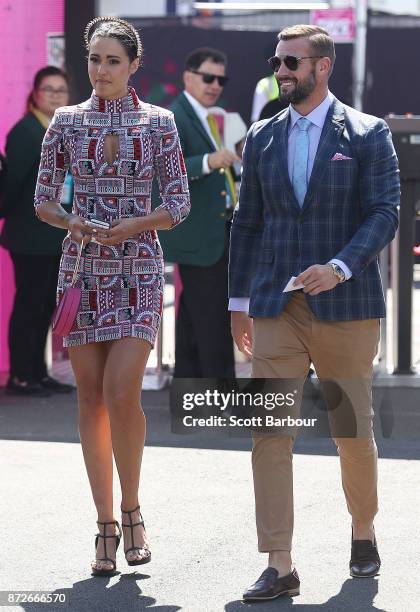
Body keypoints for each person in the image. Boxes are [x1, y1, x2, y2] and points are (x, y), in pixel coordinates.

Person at [229, 25, 400, 601]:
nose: (281, 70)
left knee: (350, 430)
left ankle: (363, 531)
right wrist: (238, 304)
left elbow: (384, 213)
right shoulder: (263, 135)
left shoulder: (368, 133)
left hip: (346, 305)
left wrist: (341, 266)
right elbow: (247, 223)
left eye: (291, 62)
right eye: (277, 61)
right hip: (277, 306)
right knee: (268, 432)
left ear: (321, 67)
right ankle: (279, 564)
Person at [34, 17, 190, 576]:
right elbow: (42, 201)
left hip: (139, 267)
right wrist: (70, 220)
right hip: (81, 270)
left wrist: (132, 226)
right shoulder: (67, 122)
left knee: (124, 389)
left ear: (133, 66)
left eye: (112, 61)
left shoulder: (160, 123)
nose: (101, 71)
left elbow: (178, 203)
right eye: (94, 60)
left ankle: (132, 508)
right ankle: (104, 524)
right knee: (90, 399)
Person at [157, 47, 239, 378]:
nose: (215, 85)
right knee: (212, 316)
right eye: (208, 77)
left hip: (210, 232)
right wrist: (209, 161)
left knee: (195, 312)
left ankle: (188, 383)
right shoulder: (174, 117)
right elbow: (164, 169)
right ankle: (223, 391)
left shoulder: (204, 115)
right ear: (188, 76)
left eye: (221, 79)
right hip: (199, 233)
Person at [0, 66, 74, 396]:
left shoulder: (61, 129)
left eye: (62, 90)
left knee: (45, 305)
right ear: (35, 93)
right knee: (30, 305)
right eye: (49, 89)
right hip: (29, 237)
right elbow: (12, 186)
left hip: (54, 236)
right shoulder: (26, 132)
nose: (56, 95)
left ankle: (38, 372)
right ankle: (20, 375)